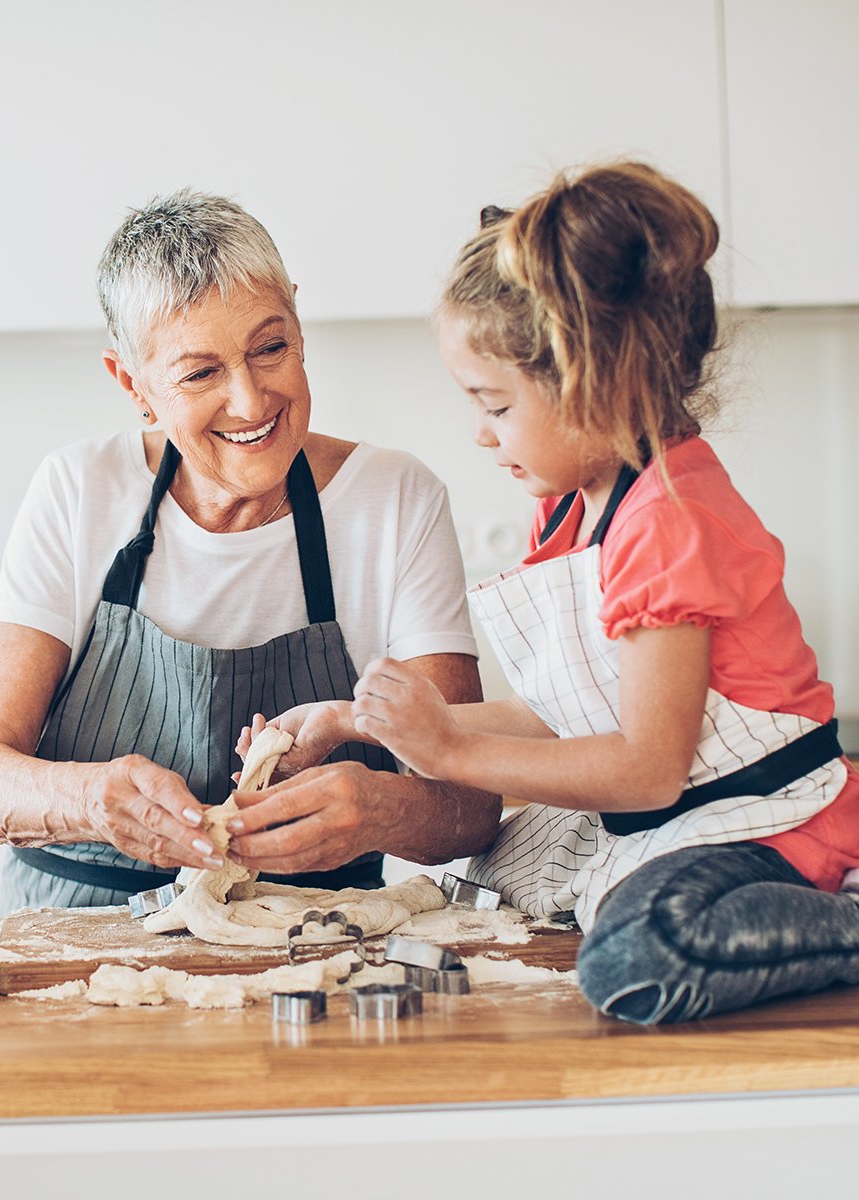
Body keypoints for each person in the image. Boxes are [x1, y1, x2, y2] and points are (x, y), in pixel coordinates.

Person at [336, 161, 859, 1025]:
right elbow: (563, 718)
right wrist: (362, 720)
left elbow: (647, 770)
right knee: (458, 892)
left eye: (494, 404)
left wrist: (452, 753)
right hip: (686, 812)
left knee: (633, 956)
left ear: (592, 381)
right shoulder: (575, 510)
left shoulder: (668, 521)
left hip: (766, 821)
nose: (478, 432)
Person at [0, 189, 500, 913]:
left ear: (299, 323)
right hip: (75, 937)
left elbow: (467, 807)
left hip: (314, 942)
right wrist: (89, 798)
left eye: (270, 348)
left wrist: (378, 809)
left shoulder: (395, 499)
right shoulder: (79, 489)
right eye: (199, 372)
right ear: (133, 384)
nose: (250, 401)